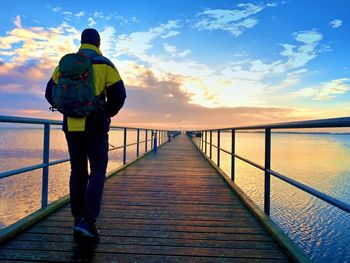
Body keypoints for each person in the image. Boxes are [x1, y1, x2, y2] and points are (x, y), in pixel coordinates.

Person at [45, 28, 126, 239]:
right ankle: (88, 222)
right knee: (98, 171)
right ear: (98, 44)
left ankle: (77, 217)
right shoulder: (105, 64)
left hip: (72, 127)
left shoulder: (65, 65)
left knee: (78, 170)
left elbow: (48, 92)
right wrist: (107, 111)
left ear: (81, 42)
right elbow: (119, 95)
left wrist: (69, 109)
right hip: (96, 126)